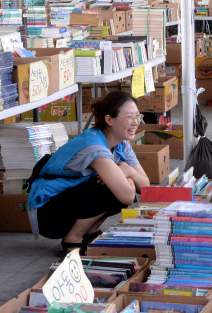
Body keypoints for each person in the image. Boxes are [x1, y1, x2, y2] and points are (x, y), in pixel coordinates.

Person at [27, 91, 150, 257]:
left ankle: (89, 231)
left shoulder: (121, 143)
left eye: (138, 116)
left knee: (116, 182)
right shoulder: (95, 147)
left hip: (68, 201)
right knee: (112, 187)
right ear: (109, 119)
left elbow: (146, 187)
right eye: (129, 117)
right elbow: (128, 196)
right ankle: (73, 238)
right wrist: (125, 169)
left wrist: (127, 170)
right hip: (49, 212)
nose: (136, 122)